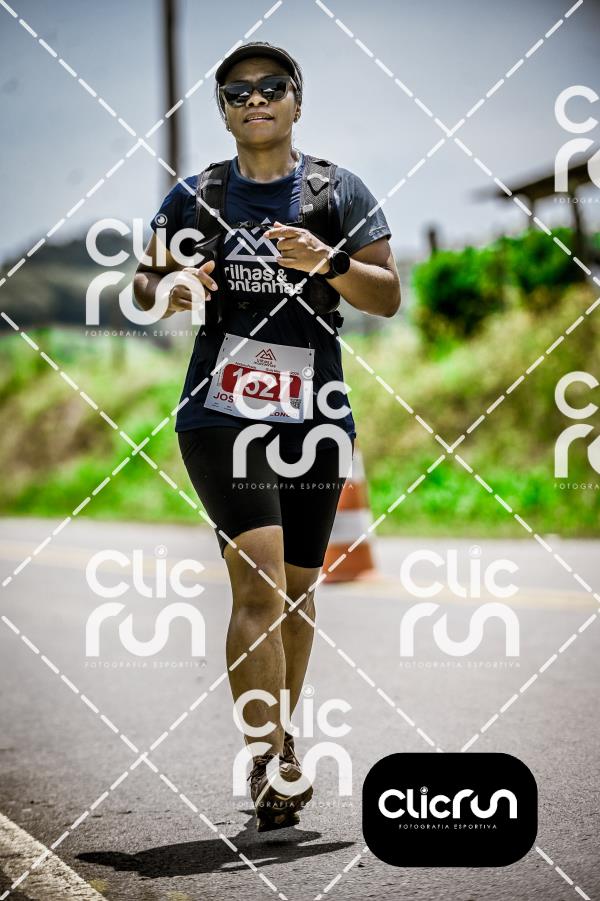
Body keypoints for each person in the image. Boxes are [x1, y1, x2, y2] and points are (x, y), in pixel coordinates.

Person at [134, 41, 401, 832]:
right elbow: (143, 286)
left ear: (296, 101)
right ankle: (266, 758)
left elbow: (386, 295)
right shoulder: (196, 197)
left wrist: (329, 261)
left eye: (271, 86)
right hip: (221, 412)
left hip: (315, 413)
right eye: (237, 91)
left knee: (297, 588)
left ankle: (283, 735)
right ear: (223, 111)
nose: (255, 99)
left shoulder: (337, 190)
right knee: (257, 581)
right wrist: (174, 285)